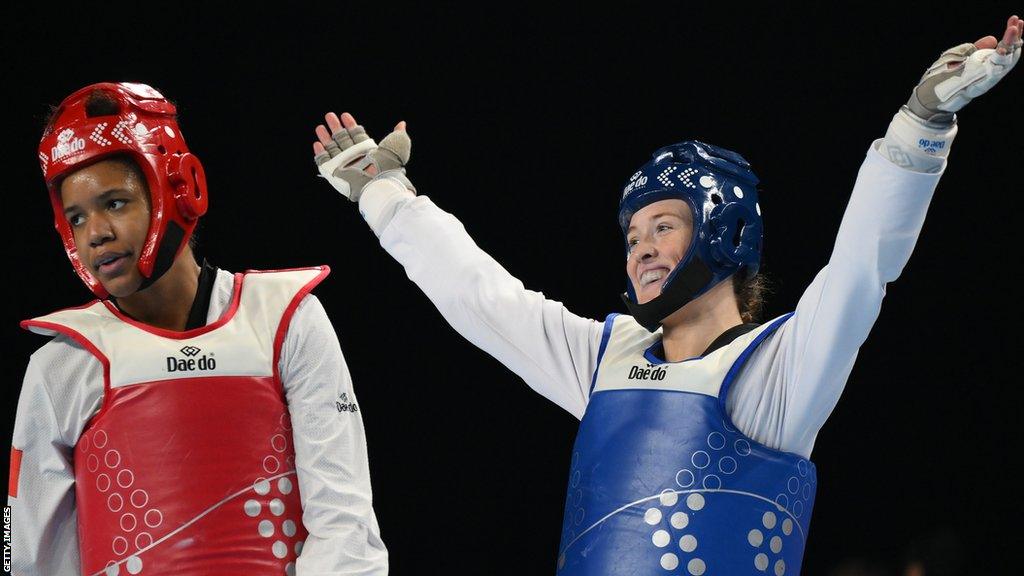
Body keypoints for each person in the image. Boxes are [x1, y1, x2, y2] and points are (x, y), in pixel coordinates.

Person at [309, 17, 1020, 576]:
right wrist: (384, 194)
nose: (640, 247)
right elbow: (482, 297)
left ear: (721, 230)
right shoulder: (605, 359)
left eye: (663, 226)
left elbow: (862, 266)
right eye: (632, 233)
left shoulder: (778, 371)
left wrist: (920, 127)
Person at [9, 82, 388, 575]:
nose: (95, 233)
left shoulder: (286, 321)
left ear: (181, 188)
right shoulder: (62, 363)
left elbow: (346, 524)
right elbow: (27, 556)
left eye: (115, 203)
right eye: (76, 217)